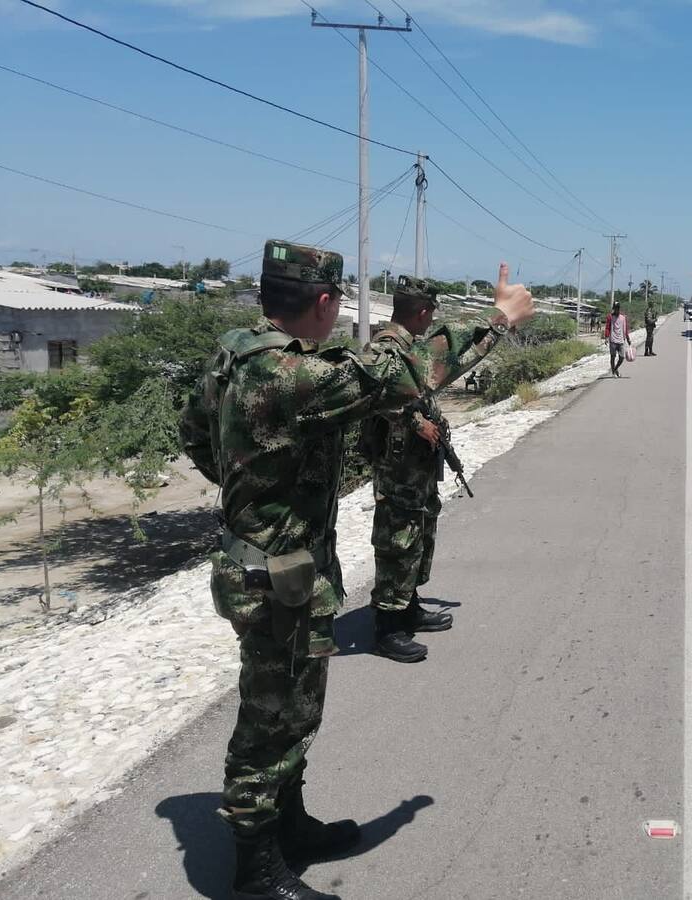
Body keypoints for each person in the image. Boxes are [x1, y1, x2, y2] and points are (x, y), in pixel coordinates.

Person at [179, 242, 532, 900]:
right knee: (272, 718)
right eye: (338, 300)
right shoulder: (296, 375)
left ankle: (289, 824)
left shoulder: (234, 351)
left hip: (263, 562)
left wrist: (256, 489)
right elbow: (412, 371)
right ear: (323, 302)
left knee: (293, 710)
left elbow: (196, 436)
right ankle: (255, 867)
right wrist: (499, 319)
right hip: (276, 576)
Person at [362, 276, 508, 663]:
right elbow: (378, 397)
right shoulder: (385, 347)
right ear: (423, 312)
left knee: (419, 534)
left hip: (416, 466)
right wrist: (415, 423)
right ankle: (387, 627)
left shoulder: (410, 346)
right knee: (398, 541)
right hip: (397, 468)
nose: (431, 321)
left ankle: (408, 606)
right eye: (431, 315)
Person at [604, 300, 630, 377]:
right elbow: (607, 328)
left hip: (621, 340)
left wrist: (628, 338)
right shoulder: (610, 317)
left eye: (618, 308)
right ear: (613, 308)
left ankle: (615, 369)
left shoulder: (623, 317)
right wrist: (606, 337)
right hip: (613, 340)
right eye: (615, 308)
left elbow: (625, 329)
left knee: (622, 357)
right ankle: (613, 372)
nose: (617, 309)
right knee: (613, 357)